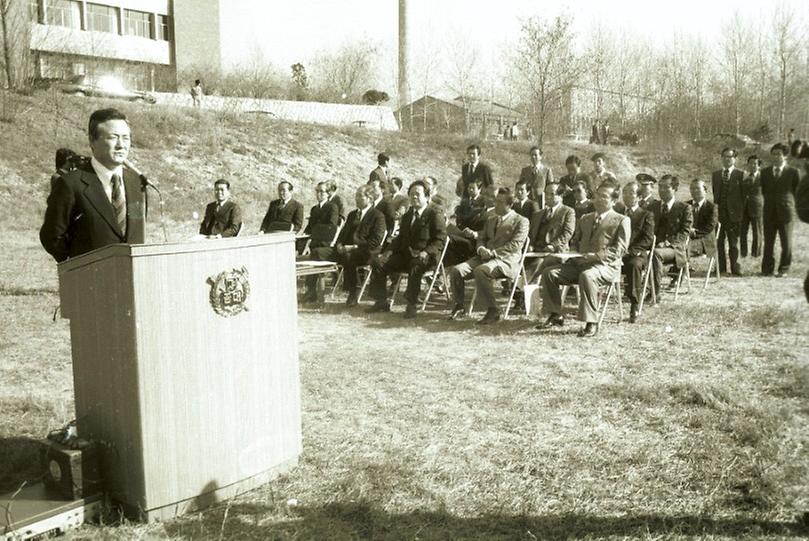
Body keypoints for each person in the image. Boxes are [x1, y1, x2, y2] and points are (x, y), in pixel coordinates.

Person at [41, 108, 147, 262]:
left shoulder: (136, 182)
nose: (121, 145)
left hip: (132, 277)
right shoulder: (71, 184)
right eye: (113, 137)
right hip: (92, 277)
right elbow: (51, 236)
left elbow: (136, 233)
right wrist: (79, 264)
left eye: (126, 138)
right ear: (92, 141)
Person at [537, 184, 630, 337]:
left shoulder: (622, 220)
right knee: (549, 273)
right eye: (597, 195)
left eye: (604, 197)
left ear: (614, 201)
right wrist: (571, 254)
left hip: (606, 266)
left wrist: (597, 256)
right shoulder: (585, 218)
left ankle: (591, 322)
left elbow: (620, 249)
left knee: (588, 276)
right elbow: (575, 241)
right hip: (581, 263)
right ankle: (555, 314)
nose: (599, 199)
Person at [447, 188, 529, 324]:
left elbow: (516, 245)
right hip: (485, 257)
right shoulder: (491, 219)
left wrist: (494, 253)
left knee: (481, 270)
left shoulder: (521, 221)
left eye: (500, 202)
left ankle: (493, 310)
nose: (495, 204)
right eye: (496, 201)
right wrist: (480, 248)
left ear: (510, 205)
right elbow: (482, 237)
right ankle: (459, 306)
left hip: (505, 260)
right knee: (456, 270)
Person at [366, 180, 447, 319]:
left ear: (427, 197)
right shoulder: (408, 215)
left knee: (415, 266)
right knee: (377, 262)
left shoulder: (434, 214)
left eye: (418, 194)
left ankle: (411, 304)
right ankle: (381, 301)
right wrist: (387, 253)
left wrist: (426, 252)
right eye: (411, 194)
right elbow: (399, 239)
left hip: (425, 257)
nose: (414, 197)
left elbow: (440, 239)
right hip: (406, 255)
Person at [303, 186, 386, 305]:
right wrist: (339, 245)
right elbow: (342, 234)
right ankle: (311, 290)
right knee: (317, 252)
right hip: (345, 249)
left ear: (370, 198)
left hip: (365, 251)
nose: (356, 199)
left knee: (348, 257)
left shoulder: (378, 216)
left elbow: (376, 241)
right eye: (356, 195)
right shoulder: (352, 214)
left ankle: (353, 292)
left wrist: (353, 247)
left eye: (360, 196)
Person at [761, 143, 800, 277]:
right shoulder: (764, 172)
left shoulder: (793, 172)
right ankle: (767, 269)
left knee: (786, 242)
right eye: (774, 154)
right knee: (768, 242)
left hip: (786, 212)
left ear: (785, 156)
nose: (776, 157)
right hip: (769, 212)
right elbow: (764, 191)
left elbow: (797, 192)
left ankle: (783, 269)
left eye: (779, 154)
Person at [649, 175, 693, 293]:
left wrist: (667, 243)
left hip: (674, 248)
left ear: (675, 188)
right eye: (660, 187)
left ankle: (654, 293)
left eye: (666, 187)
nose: (662, 190)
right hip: (654, 245)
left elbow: (684, 232)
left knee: (656, 254)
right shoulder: (652, 207)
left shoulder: (684, 208)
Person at [619, 181, 655, 323]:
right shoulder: (617, 212)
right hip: (617, 252)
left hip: (636, 254)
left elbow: (647, 239)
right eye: (625, 192)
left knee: (634, 265)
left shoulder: (646, 214)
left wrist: (630, 251)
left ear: (639, 197)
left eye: (631, 193)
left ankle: (634, 305)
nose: (627, 196)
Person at [711, 148, 744, 276]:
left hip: (734, 215)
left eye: (730, 157)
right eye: (724, 156)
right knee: (718, 243)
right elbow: (715, 194)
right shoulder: (716, 175)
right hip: (719, 214)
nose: (727, 159)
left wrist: (740, 214)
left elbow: (743, 196)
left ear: (735, 159)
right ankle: (721, 269)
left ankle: (736, 268)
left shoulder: (740, 174)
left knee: (733, 243)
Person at [528, 183, 575, 253]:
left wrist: (553, 245)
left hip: (556, 251)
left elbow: (567, 233)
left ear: (561, 196)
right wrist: (529, 245)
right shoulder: (538, 214)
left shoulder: (568, 212)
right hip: (535, 251)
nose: (548, 197)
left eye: (552, 194)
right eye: (546, 193)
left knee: (537, 264)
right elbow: (531, 234)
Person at [299, 181, 340, 253]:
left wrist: (313, 237)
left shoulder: (332, 207)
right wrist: (304, 234)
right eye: (317, 191)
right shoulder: (314, 209)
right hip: (312, 240)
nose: (318, 194)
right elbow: (310, 226)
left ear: (328, 194)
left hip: (324, 241)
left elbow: (331, 227)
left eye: (321, 191)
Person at [687, 179, 718, 259]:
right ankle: (683, 268)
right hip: (686, 238)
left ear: (705, 191)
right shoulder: (685, 205)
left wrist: (694, 232)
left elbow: (709, 227)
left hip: (704, 241)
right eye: (692, 188)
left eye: (697, 188)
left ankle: (681, 269)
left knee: (683, 248)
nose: (694, 191)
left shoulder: (712, 207)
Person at [741, 155, 763, 258]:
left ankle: (756, 254)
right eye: (750, 163)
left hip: (757, 208)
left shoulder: (763, 177)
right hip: (744, 207)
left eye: (755, 164)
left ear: (759, 166)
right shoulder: (744, 176)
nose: (752, 165)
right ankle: (743, 253)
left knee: (757, 231)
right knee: (742, 231)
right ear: (747, 164)